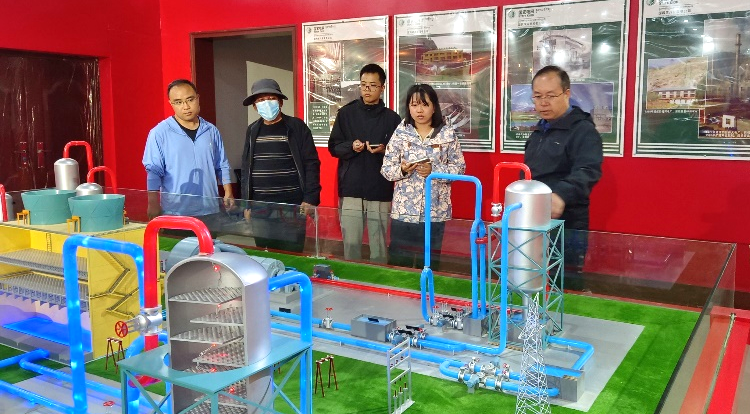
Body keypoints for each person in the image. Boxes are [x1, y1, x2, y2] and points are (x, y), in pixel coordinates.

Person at [523, 65, 603, 290]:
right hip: (535, 216)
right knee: (532, 276)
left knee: (564, 282)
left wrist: (561, 195)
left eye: (550, 96)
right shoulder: (540, 130)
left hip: (567, 219)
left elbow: (588, 170)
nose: (543, 103)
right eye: (538, 96)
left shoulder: (583, 130)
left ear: (567, 94)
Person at [381, 84, 465, 271]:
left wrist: (434, 170)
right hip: (404, 211)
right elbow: (386, 169)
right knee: (399, 262)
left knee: (428, 263)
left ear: (434, 107)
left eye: (425, 105)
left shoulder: (447, 133)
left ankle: (427, 290)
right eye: (414, 105)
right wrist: (403, 170)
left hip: (434, 212)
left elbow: (459, 169)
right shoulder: (400, 133)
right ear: (408, 107)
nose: (419, 110)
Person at [328, 64, 401, 263]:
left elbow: (402, 153)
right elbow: (334, 147)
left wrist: (385, 150)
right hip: (351, 188)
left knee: (379, 246)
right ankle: (352, 277)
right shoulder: (346, 114)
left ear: (382, 87)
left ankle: (380, 278)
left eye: (373, 85)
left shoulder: (392, 119)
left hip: (380, 188)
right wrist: (351, 146)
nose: (367, 89)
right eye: (363, 84)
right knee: (351, 244)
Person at [239, 78, 321, 253]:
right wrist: (246, 204)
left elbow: (311, 163)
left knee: (291, 253)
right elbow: (246, 168)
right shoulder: (252, 130)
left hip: (291, 206)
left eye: (271, 98)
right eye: (261, 100)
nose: (266, 103)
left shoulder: (296, 127)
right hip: (260, 207)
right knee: (264, 254)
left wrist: (310, 199)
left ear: (280, 102)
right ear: (255, 107)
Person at [142, 79, 234, 225]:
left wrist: (228, 192)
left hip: (210, 210)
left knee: (210, 241)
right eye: (178, 102)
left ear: (198, 98)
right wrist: (152, 203)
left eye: (190, 100)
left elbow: (221, 164)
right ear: (171, 104)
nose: (185, 107)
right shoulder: (159, 133)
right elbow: (154, 170)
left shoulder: (211, 130)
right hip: (176, 212)